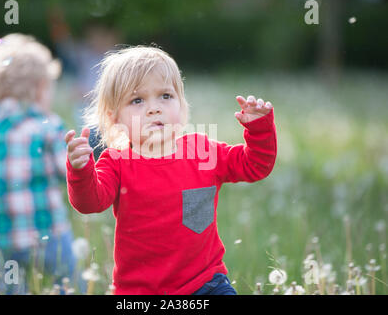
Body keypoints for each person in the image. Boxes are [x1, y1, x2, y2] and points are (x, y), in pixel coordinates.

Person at [65, 46, 277, 295]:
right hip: (140, 291)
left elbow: (255, 166)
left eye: (165, 96)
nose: (154, 108)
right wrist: (80, 172)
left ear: (181, 105)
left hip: (207, 283)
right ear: (115, 120)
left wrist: (259, 130)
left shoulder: (202, 151)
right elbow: (91, 202)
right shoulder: (117, 161)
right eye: (137, 100)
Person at [0, 33, 78, 294]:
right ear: (41, 87)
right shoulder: (48, 127)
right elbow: (66, 172)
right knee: (67, 283)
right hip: (47, 230)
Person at [48, 9, 120, 161]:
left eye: (101, 36)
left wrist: (87, 94)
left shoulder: (117, 60)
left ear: (113, 37)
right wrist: (57, 23)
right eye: (92, 37)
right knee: (88, 138)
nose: (96, 41)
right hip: (87, 114)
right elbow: (65, 46)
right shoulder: (85, 55)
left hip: (109, 115)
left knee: (102, 142)